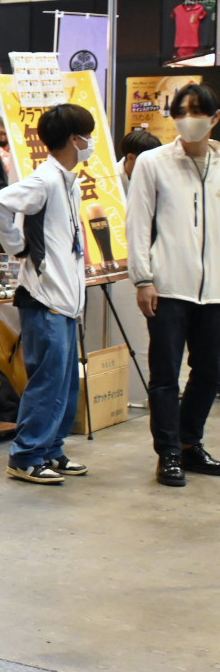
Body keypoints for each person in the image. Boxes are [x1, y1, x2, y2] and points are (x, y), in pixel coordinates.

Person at [0, 103, 94, 485]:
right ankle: (26, 455)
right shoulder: (45, 180)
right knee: (47, 382)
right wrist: (16, 246)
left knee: (64, 383)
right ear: (74, 139)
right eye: (87, 136)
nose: (90, 143)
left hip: (65, 300)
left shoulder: (68, 181)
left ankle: (50, 449)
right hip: (45, 298)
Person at [126, 83, 220, 486]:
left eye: (197, 111)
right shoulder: (153, 161)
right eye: (181, 111)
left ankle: (188, 442)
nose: (188, 119)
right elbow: (137, 222)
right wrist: (142, 279)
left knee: (211, 372)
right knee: (165, 375)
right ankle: (168, 453)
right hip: (167, 287)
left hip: (215, 290)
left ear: (215, 118)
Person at [117, 128, 162, 193]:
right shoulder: (110, 177)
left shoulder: (157, 177)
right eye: (146, 162)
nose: (150, 166)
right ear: (131, 157)